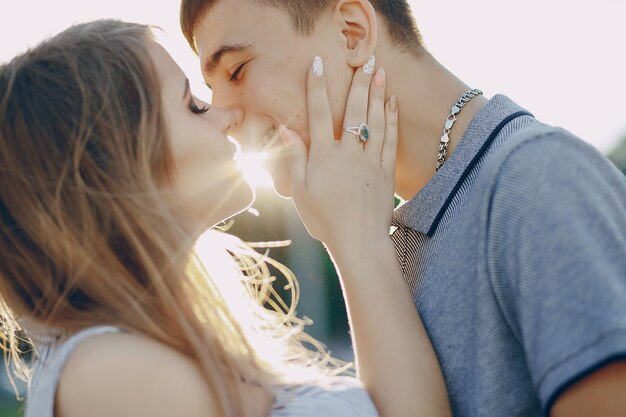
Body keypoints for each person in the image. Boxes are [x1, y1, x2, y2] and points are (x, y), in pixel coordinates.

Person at [180, 0, 626, 416]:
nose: (223, 115)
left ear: (352, 33)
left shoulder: (535, 178)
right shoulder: (386, 238)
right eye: (209, 89)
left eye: (236, 70)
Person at [0, 19, 451, 417]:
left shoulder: (126, 356)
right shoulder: (112, 376)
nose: (228, 115)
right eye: (193, 105)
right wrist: (358, 240)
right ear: (116, 167)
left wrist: (356, 239)